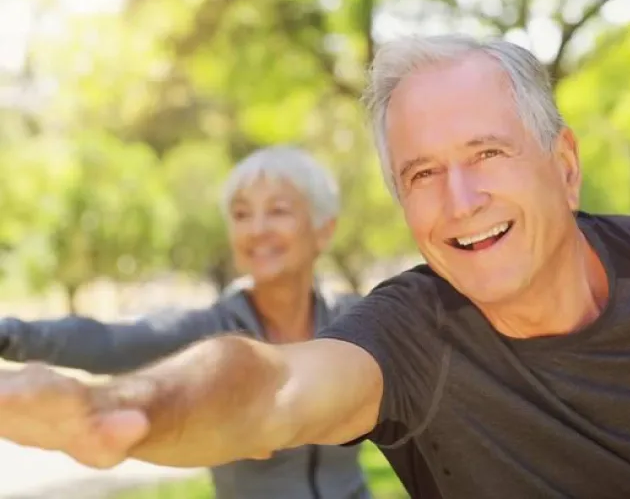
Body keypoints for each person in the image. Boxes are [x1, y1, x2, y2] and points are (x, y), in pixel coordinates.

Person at [0, 35, 630, 499]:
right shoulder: (411, 336)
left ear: (562, 163)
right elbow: (273, 385)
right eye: (422, 173)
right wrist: (124, 411)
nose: (457, 200)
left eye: (486, 155)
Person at [0, 146, 372, 499]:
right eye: (241, 215)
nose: (256, 229)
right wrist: (11, 335)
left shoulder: (354, 320)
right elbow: (111, 341)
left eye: (277, 211)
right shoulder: (211, 331)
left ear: (324, 229)